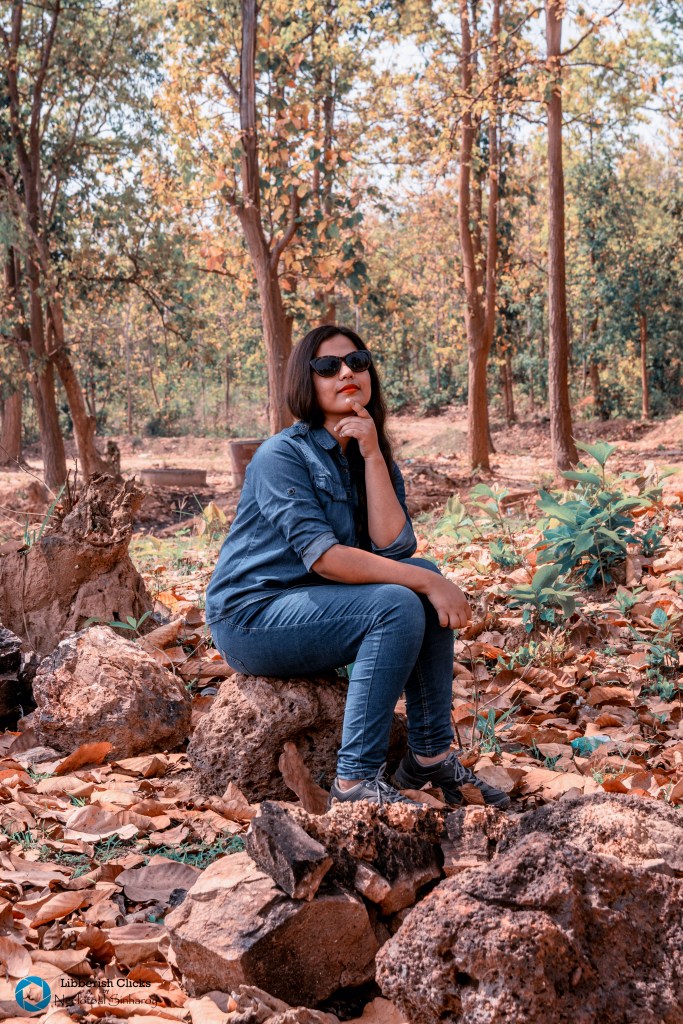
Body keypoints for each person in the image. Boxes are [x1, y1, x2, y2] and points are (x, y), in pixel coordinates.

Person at [206, 325, 510, 809]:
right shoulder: (282, 455)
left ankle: (428, 758)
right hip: (251, 618)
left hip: (314, 608)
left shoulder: (369, 454)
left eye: (357, 361)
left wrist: (371, 454)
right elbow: (327, 559)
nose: (346, 372)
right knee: (400, 600)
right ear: (306, 381)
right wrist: (430, 581)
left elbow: (394, 549)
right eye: (328, 367)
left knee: (416, 583)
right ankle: (354, 783)